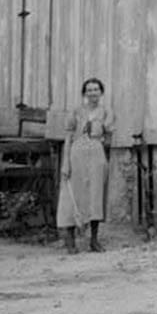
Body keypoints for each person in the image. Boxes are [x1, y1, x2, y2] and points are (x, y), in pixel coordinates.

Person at [57, 77, 113, 253]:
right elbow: (68, 138)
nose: (93, 93)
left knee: (96, 196)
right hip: (77, 155)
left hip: (96, 156)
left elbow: (109, 137)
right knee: (75, 194)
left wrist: (103, 158)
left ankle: (94, 240)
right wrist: (66, 163)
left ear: (101, 92)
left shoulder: (106, 112)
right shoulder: (76, 112)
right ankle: (71, 240)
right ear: (84, 93)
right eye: (89, 90)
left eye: (96, 89)